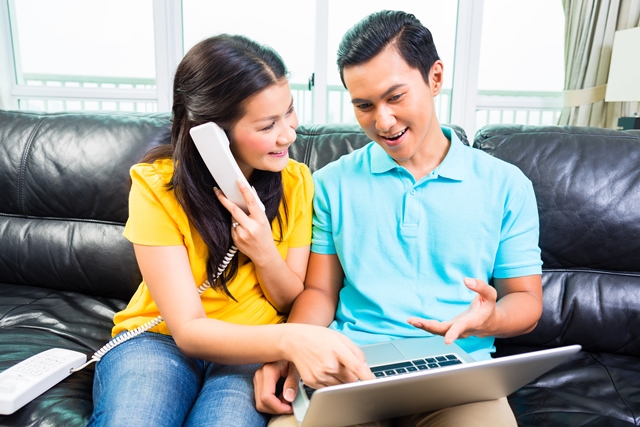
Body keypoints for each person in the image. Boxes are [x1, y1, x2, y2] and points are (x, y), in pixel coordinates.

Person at [256, 10, 543, 427]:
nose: (382, 121)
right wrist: (291, 349)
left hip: (457, 378)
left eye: (395, 97)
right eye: (364, 105)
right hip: (349, 368)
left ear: (436, 78)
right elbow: (319, 290)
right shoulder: (332, 183)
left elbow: (527, 301)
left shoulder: (506, 185)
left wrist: (491, 319)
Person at [87, 34, 372, 427]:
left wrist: (263, 252)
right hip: (161, 341)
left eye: (289, 113)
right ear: (212, 134)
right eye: (268, 125)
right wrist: (291, 340)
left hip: (254, 344)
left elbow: (293, 301)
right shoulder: (155, 186)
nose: (288, 134)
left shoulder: (297, 183)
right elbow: (187, 329)